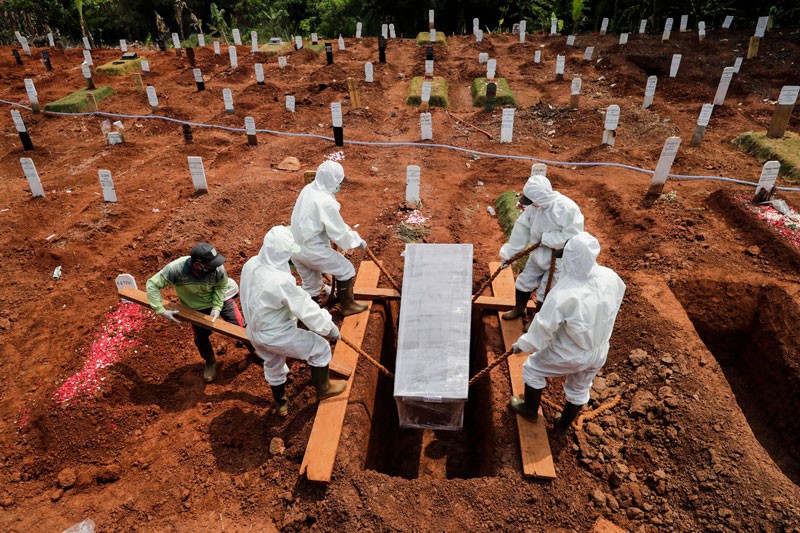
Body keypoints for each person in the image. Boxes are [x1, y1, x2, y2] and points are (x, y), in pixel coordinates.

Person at [508, 232, 626, 432]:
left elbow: (543, 328)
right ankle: (564, 424)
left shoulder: (565, 292)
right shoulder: (611, 277)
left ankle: (529, 409)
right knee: (580, 387)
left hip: (571, 352)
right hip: (599, 350)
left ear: (570, 258)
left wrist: (522, 345)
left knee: (533, 369)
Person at [240, 226, 345, 417]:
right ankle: (324, 389)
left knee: (273, 363)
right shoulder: (279, 281)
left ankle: (281, 404)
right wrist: (330, 328)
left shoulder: (251, 264)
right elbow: (306, 309)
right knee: (319, 348)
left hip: (254, 332)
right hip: (276, 334)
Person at [146, 242, 255, 382]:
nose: (216, 266)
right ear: (198, 264)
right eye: (211, 265)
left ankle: (255, 351)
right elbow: (152, 284)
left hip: (221, 297)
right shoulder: (176, 269)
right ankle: (210, 362)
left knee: (240, 327)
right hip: (195, 306)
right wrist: (160, 309)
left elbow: (221, 286)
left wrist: (216, 306)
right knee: (200, 338)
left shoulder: (217, 269)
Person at [499, 169, 584, 328]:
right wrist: (509, 255)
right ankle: (519, 308)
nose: (530, 204)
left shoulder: (566, 208)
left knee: (547, 290)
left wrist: (550, 239)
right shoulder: (535, 207)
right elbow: (522, 229)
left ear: (541, 197)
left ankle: (536, 321)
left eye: (532, 200)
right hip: (538, 253)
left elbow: (574, 235)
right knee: (524, 281)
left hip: (557, 257)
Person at [290, 160, 368, 316]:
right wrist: (357, 240)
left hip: (295, 248)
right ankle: (348, 306)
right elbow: (338, 233)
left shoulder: (308, 189)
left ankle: (309, 315)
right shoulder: (326, 202)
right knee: (345, 270)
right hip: (312, 249)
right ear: (333, 181)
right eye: (338, 182)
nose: (339, 185)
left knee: (311, 285)